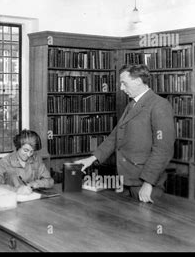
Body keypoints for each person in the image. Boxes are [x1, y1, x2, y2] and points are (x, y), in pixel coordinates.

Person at [75, 64, 175, 203]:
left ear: (138, 81)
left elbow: (163, 149)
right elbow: (115, 136)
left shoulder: (159, 105)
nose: (121, 88)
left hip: (144, 184)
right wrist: (91, 159)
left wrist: (148, 183)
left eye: (124, 83)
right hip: (126, 180)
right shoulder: (132, 104)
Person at [0, 129, 54, 195]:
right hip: (11, 201)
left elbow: (50, 181)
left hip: (32, 200)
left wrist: (35, 184)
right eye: (25, 150)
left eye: (31, 151)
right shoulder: (4, 162)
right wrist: (16, 190)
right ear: (18, 146)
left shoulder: (36, 159)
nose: (28, 155)